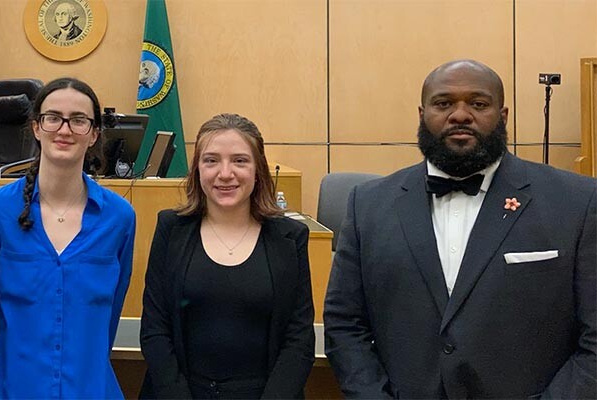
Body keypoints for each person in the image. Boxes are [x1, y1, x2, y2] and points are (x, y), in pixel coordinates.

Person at [324, 59, 596, 398]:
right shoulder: (368, 205)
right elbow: (345, 323)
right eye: (444, 103)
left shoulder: (578, 202)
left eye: (478, 104)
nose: (460, 115)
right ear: (422, 114)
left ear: (504, 116)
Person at [0, 77, 136, 399]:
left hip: (89, 390)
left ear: (94, 134)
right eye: (53, 118)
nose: (64, 130)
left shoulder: (119, 218)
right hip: (11, 389)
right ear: (36, 127)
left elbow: (110, 312)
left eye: (78, 120)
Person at [139, 113, 315, 399]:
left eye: (239, 160)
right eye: (211, 160)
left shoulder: (289, 238)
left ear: (258, 169)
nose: (225, 173)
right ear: (197, 168)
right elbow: (154, 329)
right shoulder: (171, 229)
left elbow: (299, 340)